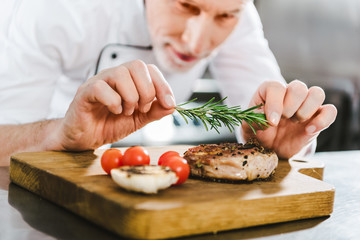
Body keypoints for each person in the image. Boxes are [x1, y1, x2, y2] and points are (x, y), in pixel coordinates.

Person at [0, 0, 337, 166]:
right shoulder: (59, 9)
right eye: (185, 5)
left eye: (225, 16)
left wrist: (278, 136)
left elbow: (272, 110)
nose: (196, 44)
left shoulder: (235, 10)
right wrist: (61, 134)